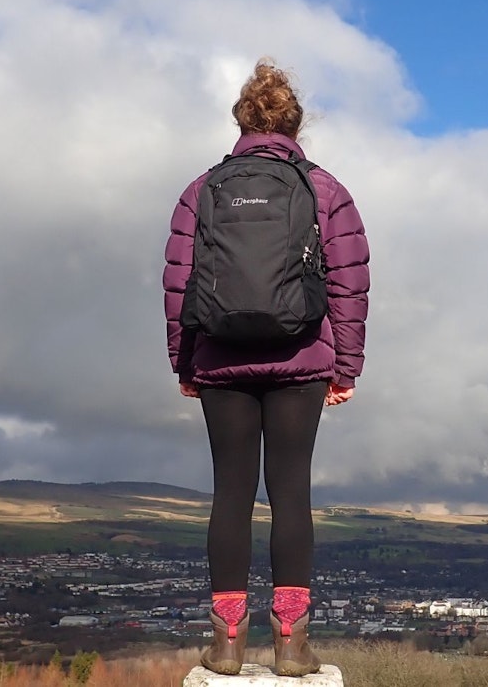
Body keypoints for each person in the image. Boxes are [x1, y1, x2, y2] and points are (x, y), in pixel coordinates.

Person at [163, 60, 369, 677]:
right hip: (300, 358)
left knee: (230, 493)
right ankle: (290, 645)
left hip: (220, 358)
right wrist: (346, 367)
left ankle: (226, 645)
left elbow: (179, 283)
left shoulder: (201, 190)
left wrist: (186, 360)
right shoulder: (325, 191)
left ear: (241, 121)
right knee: (290, 494)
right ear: (296, 126)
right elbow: (349, 284)